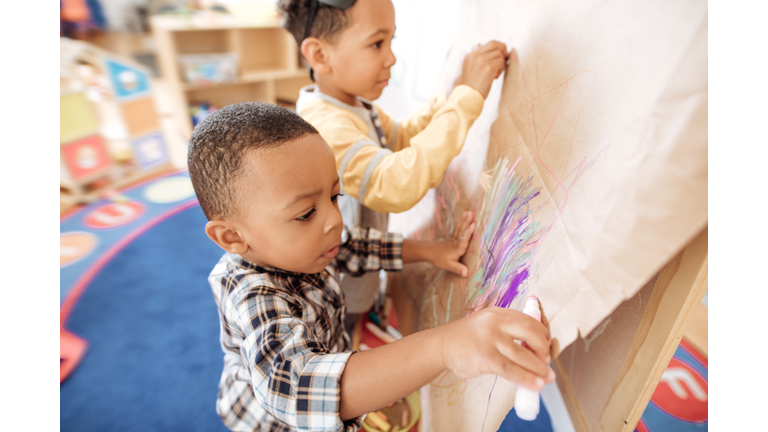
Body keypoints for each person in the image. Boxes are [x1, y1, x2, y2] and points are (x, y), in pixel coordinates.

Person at [188, 102, 555, 432]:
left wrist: (431, 251)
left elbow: (357, 246)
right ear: (232, 238)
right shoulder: (252, 295)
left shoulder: (303, 245)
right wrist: (446, 345)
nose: (334, 220)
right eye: (306, 214)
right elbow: (297, 387)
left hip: (328, 354)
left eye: (334, 197)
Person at [279, 0, 510, 318]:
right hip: (336, 301)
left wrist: (453, 93)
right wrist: (466, 97)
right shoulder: (327, 128)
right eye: (376, 43)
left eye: (392, 41)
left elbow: (402, 137)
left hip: (362, 279)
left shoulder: (351, 105)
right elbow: (394, 184)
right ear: (320, 55)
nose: (391, 58)